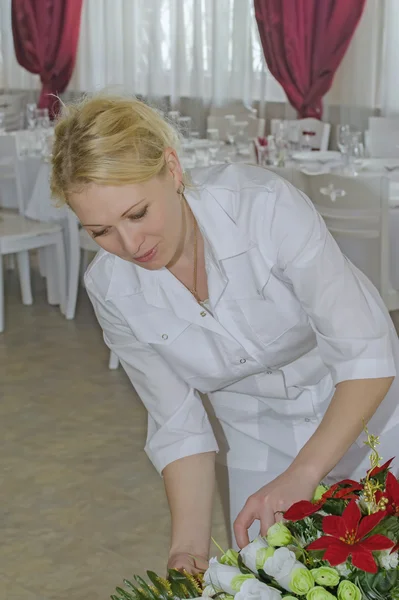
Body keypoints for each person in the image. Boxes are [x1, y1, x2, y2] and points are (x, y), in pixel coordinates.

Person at [50, 95, 399, 574]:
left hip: (368, 413)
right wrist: (187, 550)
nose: (131, 246)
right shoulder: (111, 289)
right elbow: (178, 424)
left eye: (137, 214)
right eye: (100, 232)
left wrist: (305, 473)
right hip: (259, 434)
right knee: (276, 578)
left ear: (172, 170)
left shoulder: (262, 207)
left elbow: (365, 355)